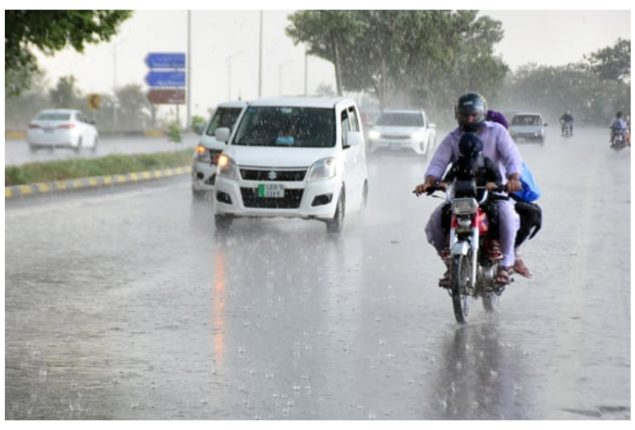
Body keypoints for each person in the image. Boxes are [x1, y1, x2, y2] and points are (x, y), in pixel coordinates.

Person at [414, 92, 523, 285]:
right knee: (434, 223)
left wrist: (513, 178)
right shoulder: (453, 138)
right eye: (465, 115)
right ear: (458, 115)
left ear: (482, 113)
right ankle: (450, 265)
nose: (469, 119)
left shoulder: (497, 131)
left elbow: (512, 157)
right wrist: (430, 182)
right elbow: (438, 164)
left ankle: (506, 265)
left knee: (507, 217)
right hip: (461, 196)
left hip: (493, 194)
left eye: (473, 114)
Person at [439, 132, 504, 263]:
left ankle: (493, 241)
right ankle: (448, 240)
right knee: (446, 212)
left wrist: (493, 184)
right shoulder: (458, 164)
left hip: (482, 199)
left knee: (493, 212)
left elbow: (498, 178)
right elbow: (448, 178)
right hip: (461, 200)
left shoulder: (486, 162)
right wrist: (444, 184)